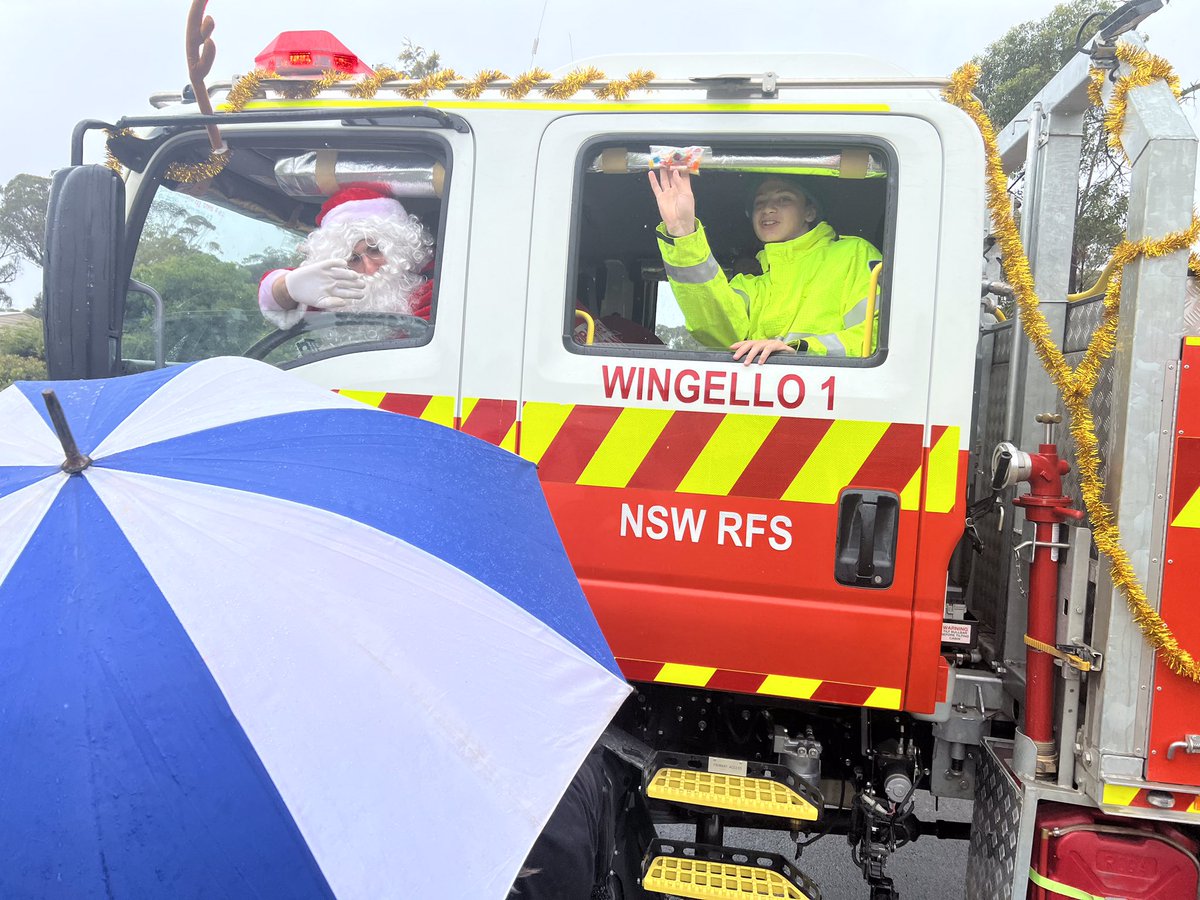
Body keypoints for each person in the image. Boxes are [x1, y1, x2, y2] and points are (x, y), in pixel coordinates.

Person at [648, 167, 882, 363]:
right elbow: (716, 329)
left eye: (784, 199)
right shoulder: (750, 285)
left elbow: (880, 336)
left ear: (810, 212)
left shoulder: (853, 253)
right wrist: (683, 233)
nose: (767, 209)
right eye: (759, 202)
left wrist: (800, 350)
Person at [258, 183, 434, 331]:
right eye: (353, 259)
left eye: (375, 250)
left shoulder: (433, 292)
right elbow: (275, 298)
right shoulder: (332, 296)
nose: (370, 268)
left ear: (399, 249)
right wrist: (287, 287)